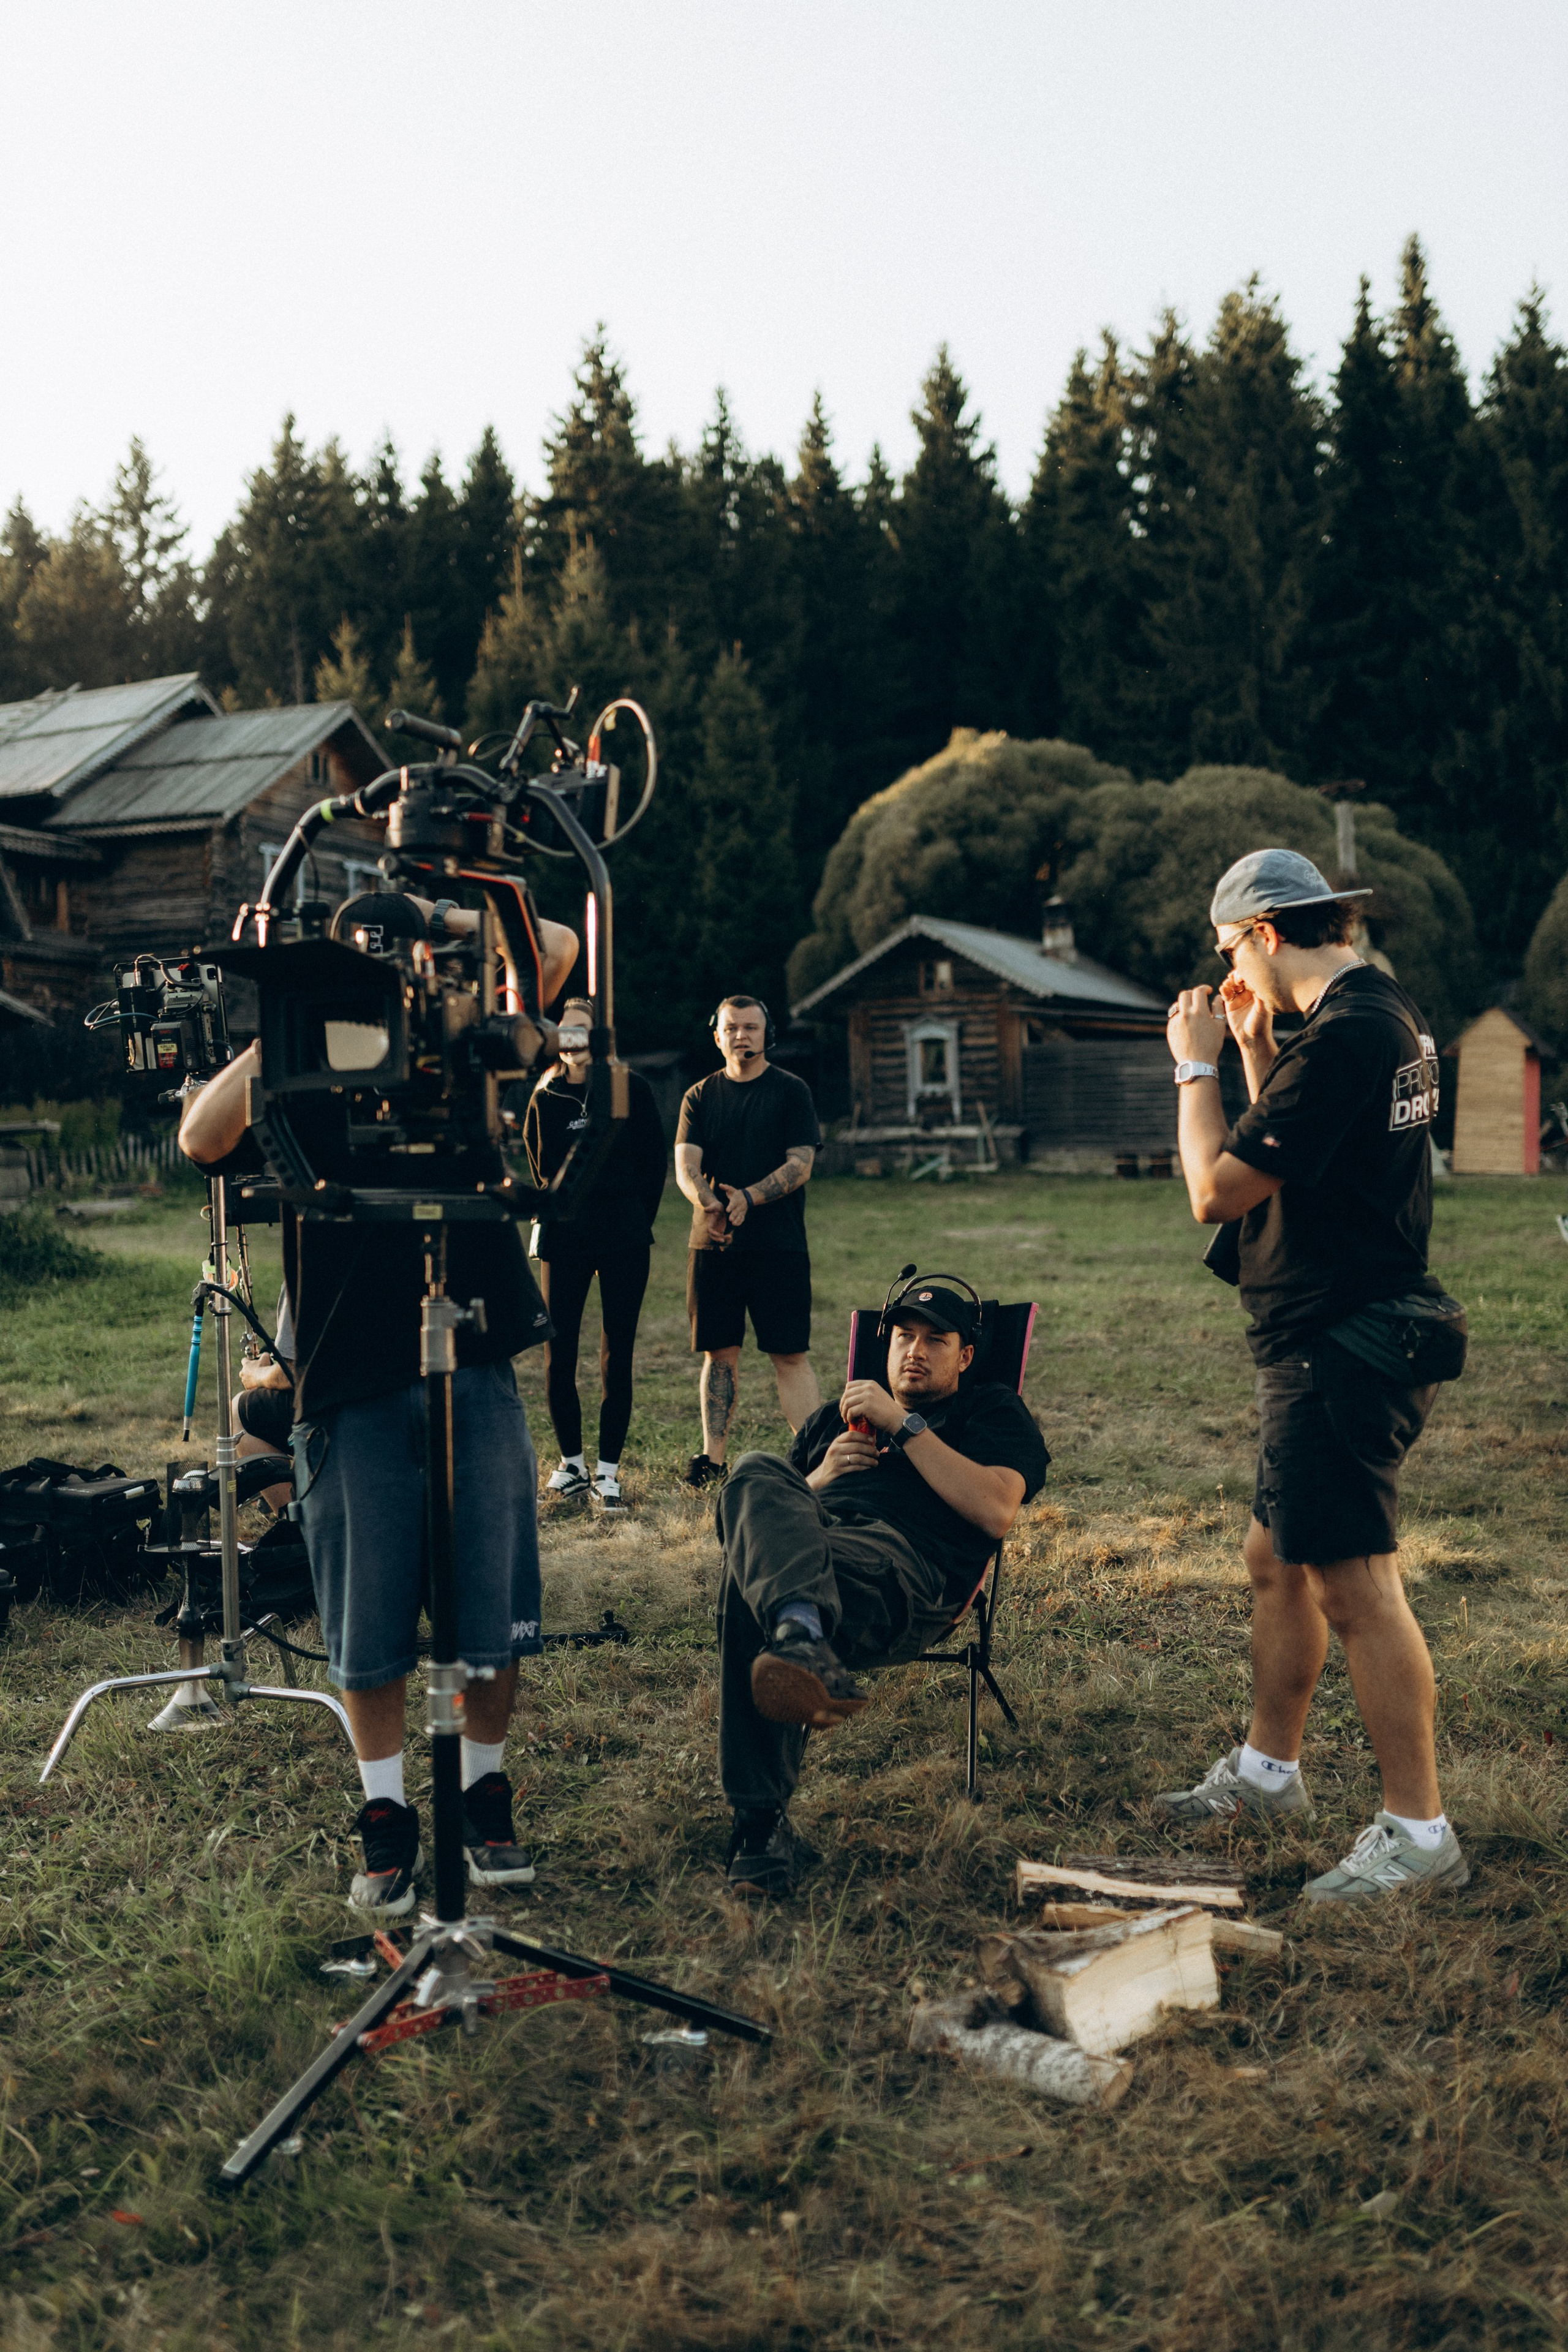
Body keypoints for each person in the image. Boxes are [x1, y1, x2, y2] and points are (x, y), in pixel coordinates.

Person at [180, 889, 578, 1918]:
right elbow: (199, 1139)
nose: (389, 964)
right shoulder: (301, 1058)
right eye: (372, 950)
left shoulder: (464, 1037)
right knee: (367, 1618)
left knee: (490, 1605)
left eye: (401, 948)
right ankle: (387, 1814)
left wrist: (457, 921)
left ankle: (485, 1795)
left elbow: (564, 949)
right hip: (350, 1369)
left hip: (474, 1354)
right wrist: (291, 1020)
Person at [1156, 846, 1468, 1904]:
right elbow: (1307, 1152)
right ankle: (1269, 1772)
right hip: (1328, 1325)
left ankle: (1419, 1831)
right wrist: (1250, 1048)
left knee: (1353, 1581)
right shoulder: (1381, 1013)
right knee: (1275, 1558)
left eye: (1231, 948)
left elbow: (1219, 1189)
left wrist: (1194, 1067)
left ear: (1269, 934)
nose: (1230, 966)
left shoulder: (1348, 1035)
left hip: (1340, 1338)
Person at [714, 1280, 1049, 1897]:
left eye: (934, 1341)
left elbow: (996, 1510)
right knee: (756, 1470)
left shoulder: (989, 1409)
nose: (914, 1352)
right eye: (902, 1338)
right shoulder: (828, 1421)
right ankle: (799, 1637)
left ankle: (757, 1829)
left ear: (965, 1357)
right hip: (816, 1559)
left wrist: (905, 1425)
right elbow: (751, 1527)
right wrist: (816, 1479)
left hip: (899, 1572)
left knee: (750, 1592)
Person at [521, 997, 668, 1512]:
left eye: (585, 1030)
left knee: (616, 1353)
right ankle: (572, 1465)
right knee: (557, 1352)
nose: (575, 1039)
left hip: (625, 1239)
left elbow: (655, 1165)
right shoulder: (545, 1097)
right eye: (568, 1031)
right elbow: (540, 1168)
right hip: (564, 1240)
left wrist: (631, 1219)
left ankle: (608, 1472)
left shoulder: (631, 1090)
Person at [674, 995, 821, 1488]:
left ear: (767, 1034)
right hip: (713, 1245)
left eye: (752, 1028)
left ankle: (816, 1459)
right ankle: (711, 1461)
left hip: (779, 1244)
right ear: (716, 1035)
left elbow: (801, 1164)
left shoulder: (791, 1091)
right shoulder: (698, 1096)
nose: (742, 1036)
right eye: (732, 1028)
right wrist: (710, 1203)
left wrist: (750, 1199)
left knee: (790, 1354)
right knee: (720, 1353)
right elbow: (685, 1165)